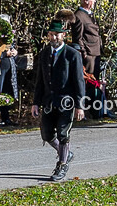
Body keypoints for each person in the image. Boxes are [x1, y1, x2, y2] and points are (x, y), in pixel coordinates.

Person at [32, 20, 85, 182]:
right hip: (49, 101)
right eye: (51, 34)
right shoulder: (44, 54)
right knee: (46, 133)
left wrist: (80, 105)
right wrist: (36, 102)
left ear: (63, 35)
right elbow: (40, 80)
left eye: (57, 34)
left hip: (66, 102)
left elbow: (79, 81)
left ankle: (62, 164)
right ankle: (66, 154)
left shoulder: (72, 54)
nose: (54, 37)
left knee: (63, 133)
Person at [0, 15, 19, 126]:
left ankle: (6, 117)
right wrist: (4, 54)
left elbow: (12, 48)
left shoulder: (9, 37)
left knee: (7, 92)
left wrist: (14, 52)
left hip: (9, 68)